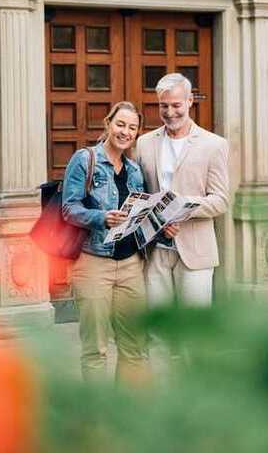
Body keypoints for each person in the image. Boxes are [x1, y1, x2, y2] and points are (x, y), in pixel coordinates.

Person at [61, 101, 150, 383]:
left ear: (137, 133)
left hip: (130, 264)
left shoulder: (135, 171)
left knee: (135, 347)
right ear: (108, 124)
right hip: (93, 262)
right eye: (120, 124)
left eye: (132, 127)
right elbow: (68, 208)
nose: (125, 132)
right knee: (95, 349)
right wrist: (101, 217)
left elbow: (139, 212)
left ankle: (127, 416)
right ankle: (96, 422)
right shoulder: (85, 160)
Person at [136, 73, 229, 307]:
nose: (169, 112)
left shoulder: (214, 144)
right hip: (155, 250)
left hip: (196, 253)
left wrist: (180, 207)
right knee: (158, 331)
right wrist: (156, 219)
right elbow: (140, 195)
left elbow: (220, 201)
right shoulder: (144, 143)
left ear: (190, 101)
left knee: (194, 333)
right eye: (163, 106)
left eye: (176, 105)